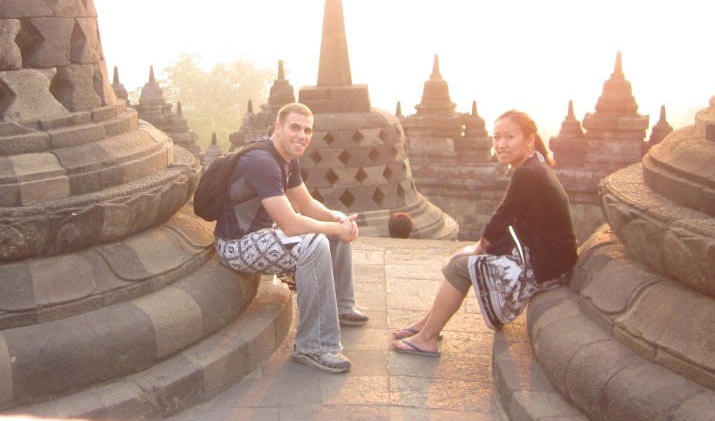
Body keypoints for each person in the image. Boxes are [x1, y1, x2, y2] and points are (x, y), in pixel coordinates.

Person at [391, 110, 578, 357]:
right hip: (548, 261)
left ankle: (427, 338)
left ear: (530, 140)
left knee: (461, 266)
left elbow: (501, 218)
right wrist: (481, 248)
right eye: (496, 137)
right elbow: (510, 221)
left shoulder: (527, 173)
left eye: (509, 137)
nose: (501, 144)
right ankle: (427, 326)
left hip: (543, 269)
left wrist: (479, 248)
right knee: (461, 260)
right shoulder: (535, 164)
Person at [214, 102, 367, 373]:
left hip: (263, 237)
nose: (302, 136)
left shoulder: (287, 159)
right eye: (295, 128)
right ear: (278, 128)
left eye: (307, 130)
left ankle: (342, 307)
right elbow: (290, 224)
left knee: (331, 225)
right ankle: (313, 345)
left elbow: (306, 205)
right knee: (316, 241)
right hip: (237, 246)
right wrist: (333, 229)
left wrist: (337, 219)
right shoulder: (262, 162)